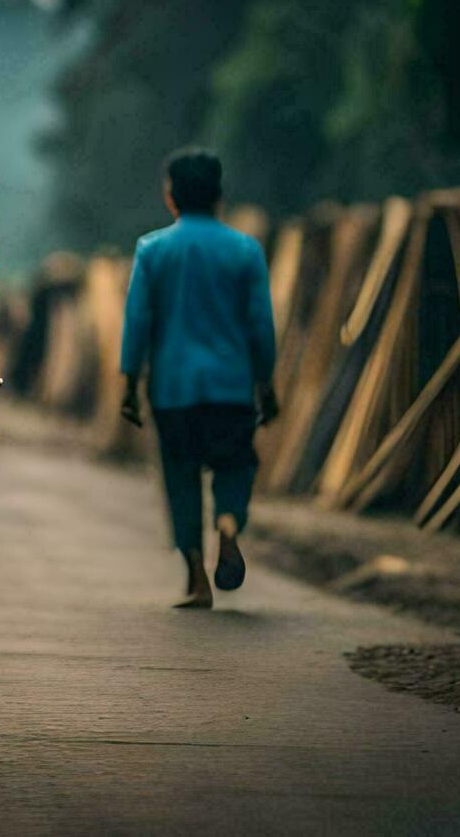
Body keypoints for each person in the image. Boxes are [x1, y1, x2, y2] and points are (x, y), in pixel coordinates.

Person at [118, 148, 279, 609]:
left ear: (172, 198)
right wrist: (265, 384)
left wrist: (130, 384)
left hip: (172, 390)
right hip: (231, 387)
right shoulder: (246, 250)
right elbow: (261, 326)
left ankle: (195, 577)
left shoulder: (153, 250)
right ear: (218, 196)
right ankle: (228, 524)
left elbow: (138, 322)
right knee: (235, 463)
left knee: (180, 475)